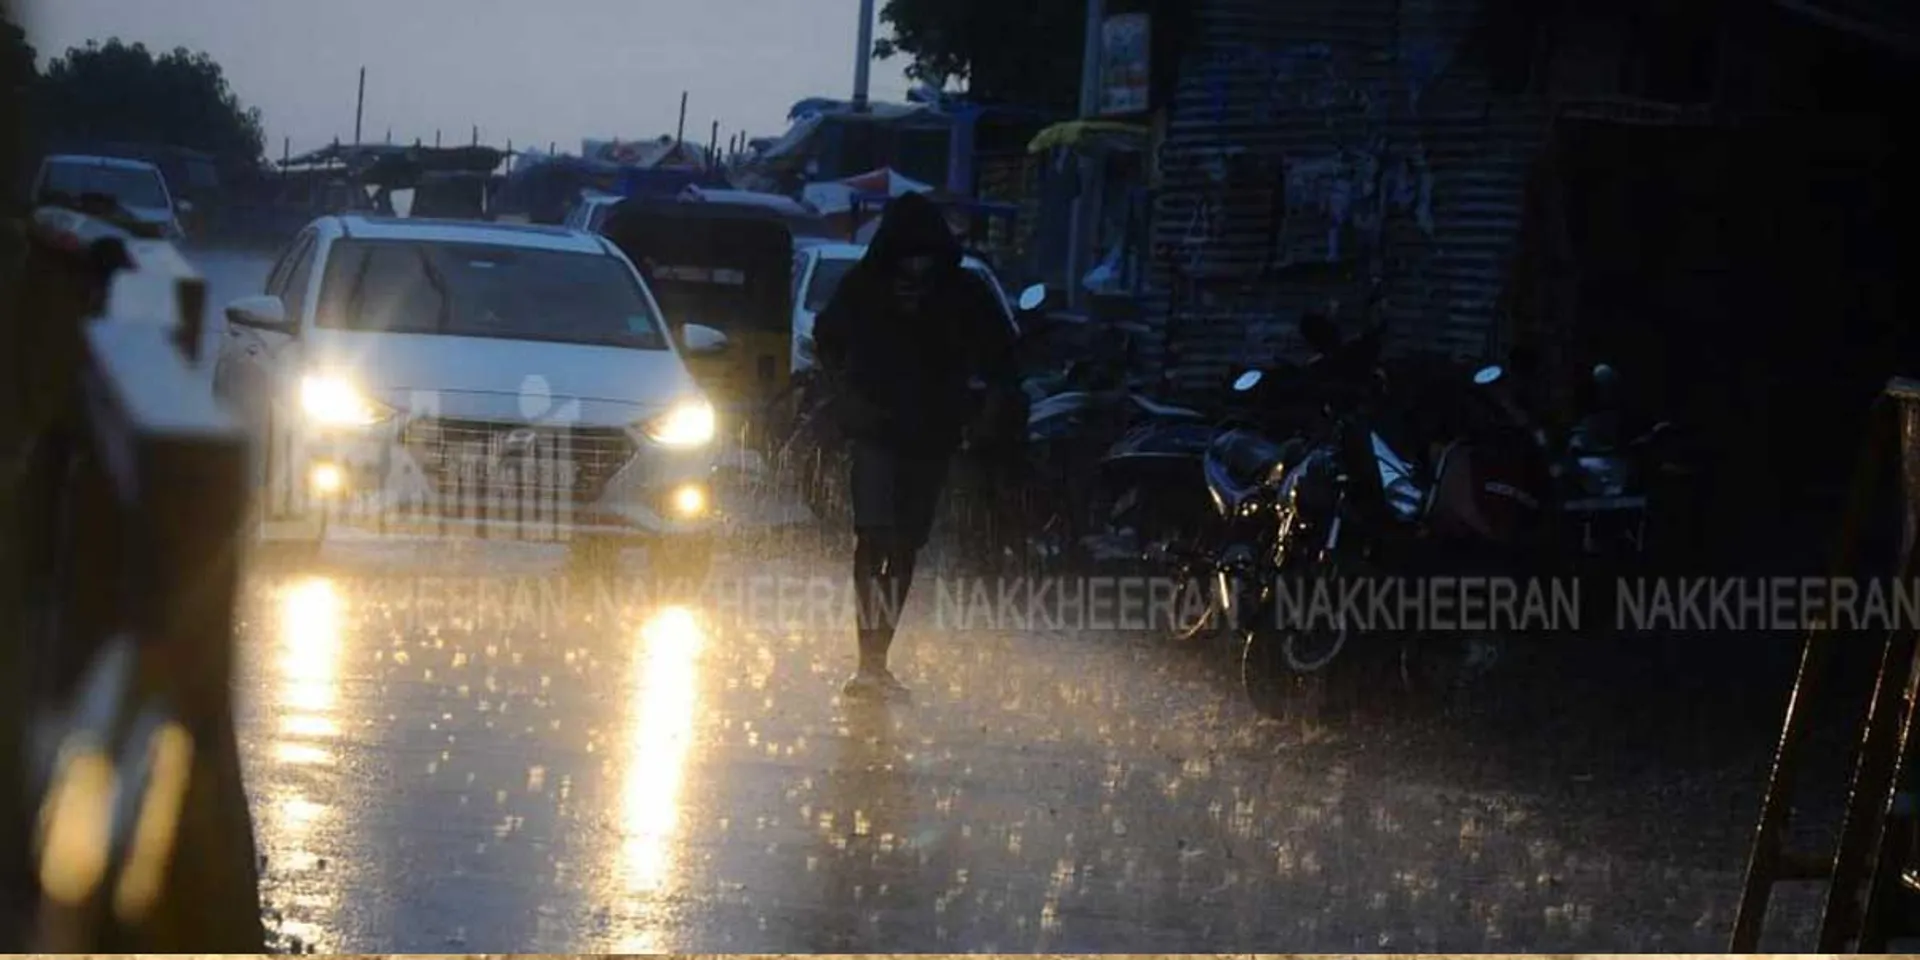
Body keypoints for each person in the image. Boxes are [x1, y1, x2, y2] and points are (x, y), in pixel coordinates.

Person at [812, 192, 1019, 701]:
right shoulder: (865, 286)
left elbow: (1002, 360)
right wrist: (846, 393)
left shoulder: (964, 291)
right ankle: (869, 660)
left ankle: (876, 658)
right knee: (874, 538)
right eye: (908, 254)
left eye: (923, 255)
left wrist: (987, 417)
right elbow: (826, 340)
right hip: (877, 432)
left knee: (903, 545)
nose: (916, 266)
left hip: (931, 436)